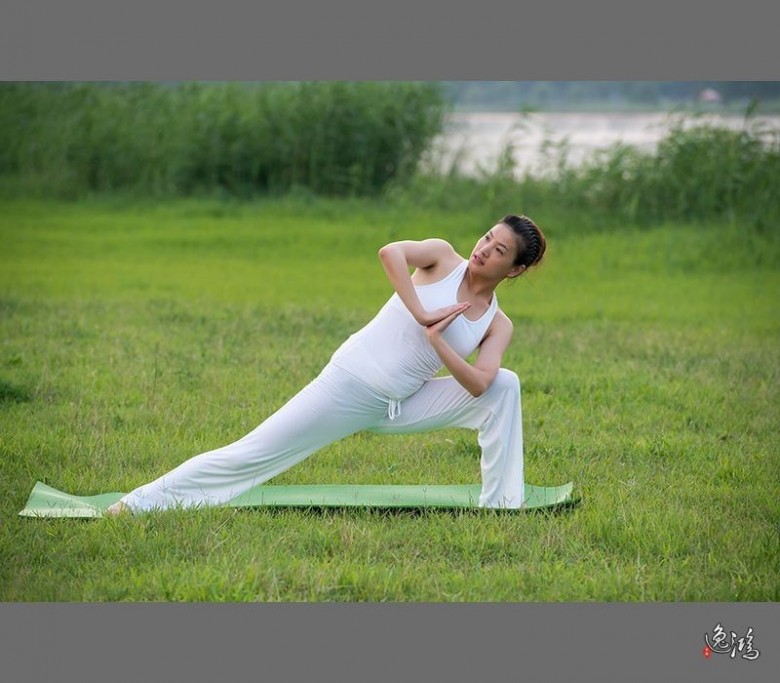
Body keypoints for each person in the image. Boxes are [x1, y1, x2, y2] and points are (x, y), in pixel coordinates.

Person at [106, 214, 547, 515]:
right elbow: (390, 252)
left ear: (514, 270)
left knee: (504, 386)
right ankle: (136, 504)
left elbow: (479, 384)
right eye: (487, 237)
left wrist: (438, 342)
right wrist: (421, 313)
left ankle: (502, 504)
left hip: (401, 404)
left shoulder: (497, 323)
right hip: (353, 383)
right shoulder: (442, 257)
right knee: (253, 454)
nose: (484, 249)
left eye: (499, 250)